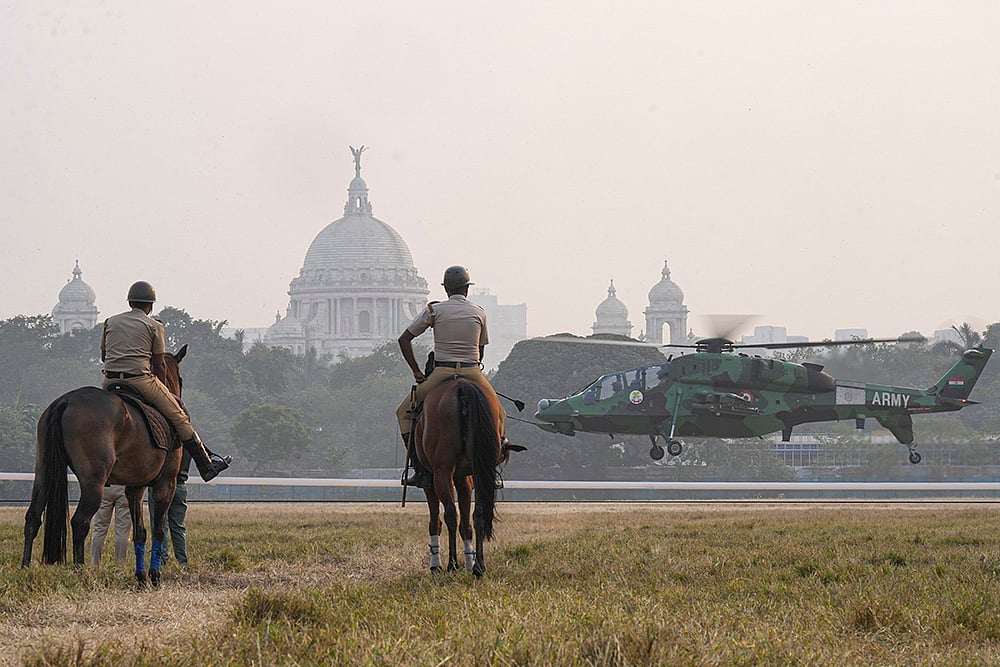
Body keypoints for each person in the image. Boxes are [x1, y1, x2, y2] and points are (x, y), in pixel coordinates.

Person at [101, 281, 232, 482]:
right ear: (150, 305)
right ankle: (206, 465)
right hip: (139, 381)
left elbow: (104, 355)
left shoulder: (110, 321)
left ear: (129, 302)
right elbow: (159, 364)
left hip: (109, 382)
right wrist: (165, 390)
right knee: (180, 417)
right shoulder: (154, 325)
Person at [395, 265, 508, 488]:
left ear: (446, 289)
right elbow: (481, 349)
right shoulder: (479, 312)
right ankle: (492, 468)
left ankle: (419, 469)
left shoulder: (434, 310)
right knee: (500, 414)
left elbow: (404, 340)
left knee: (403, 413)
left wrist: (417, 371)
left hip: (442, 372)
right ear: (467, 289)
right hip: (472, 371)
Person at [147, 451, 191, 569]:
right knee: (178, 526)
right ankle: (182, 562)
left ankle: (161, 560)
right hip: (180, 485)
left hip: (159, 485)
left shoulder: (162, 442)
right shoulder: (188, 443)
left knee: (159, 524)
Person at [89, 484, 132, 566]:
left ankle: (95, 563)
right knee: (122, 529)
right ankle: (120, 564)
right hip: (124, 487)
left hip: (105, 487)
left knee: (99, 528)